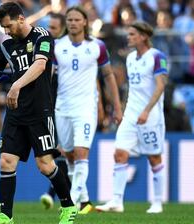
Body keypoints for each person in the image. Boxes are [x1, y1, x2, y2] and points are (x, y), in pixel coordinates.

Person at [0, 2, 78, 223]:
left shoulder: (42, 36)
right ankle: (5, 216)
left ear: (20, 18)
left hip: (39, 111)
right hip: (15, 112)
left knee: (45, 165)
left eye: (8, 26)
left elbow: (39, 66)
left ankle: (68, 206)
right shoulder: (7, 45)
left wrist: (16, 85)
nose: (6, 31)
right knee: (6, 161)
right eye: (3, 28)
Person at [53, 6, 122, 215]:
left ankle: (72, 203)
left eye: (77, 19)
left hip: (85, 107)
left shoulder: (97, 46)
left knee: (82, 152)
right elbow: (46, 74)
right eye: (70, 19)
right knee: (70, 155)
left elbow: (108, 76)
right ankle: (84, 201)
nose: (73, 23)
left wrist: (117, 106)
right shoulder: (57, 46)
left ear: (85, 22)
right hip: (62, 106)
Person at [95, 21, 168, 214]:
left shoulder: (157, 57)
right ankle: (117, 201)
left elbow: (161, 86)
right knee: (119, 153)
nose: (128, 37)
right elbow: (133, 89)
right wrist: (122, 110)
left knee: (154, 158)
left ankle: (158, 203)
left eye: (132, 34)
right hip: (131, 115)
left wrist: (146, 110)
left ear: (144, 36)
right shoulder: (130, 59)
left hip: (151, 116)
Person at [39, 12, 70, 210]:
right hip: (50, 107)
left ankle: (58, 195)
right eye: (49, 27)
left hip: (67, 106)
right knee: (57, 152)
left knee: (63, 152)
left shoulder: (66, 51)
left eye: (55, 28)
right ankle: (68, 197)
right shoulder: (44, 48)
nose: (51, 31)